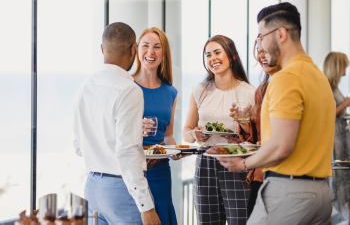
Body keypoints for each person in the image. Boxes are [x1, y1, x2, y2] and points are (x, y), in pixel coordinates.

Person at [217, 2, 335, 225]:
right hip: (321, 194)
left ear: (280, 34)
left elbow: (282, 146)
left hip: (289, 193)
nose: (260, 45)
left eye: (261, 37)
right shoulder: (318, 77)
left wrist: (243, 164)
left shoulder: (286, 78)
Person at [72, 22, 160, 225]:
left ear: (102, 49)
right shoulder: (129, 90)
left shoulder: (84, 88)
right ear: (134, 49)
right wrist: (146, 206)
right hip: (122, 189)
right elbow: (127, 151)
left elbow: (78, 146)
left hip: (92, 188)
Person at [182, 35, 256, 225]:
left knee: (240, 221)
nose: (212, 58)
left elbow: (256, 138)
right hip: (206, 161)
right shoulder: (200, 90)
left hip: (236, 161)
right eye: (208, 55)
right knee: (207, 221)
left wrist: (243, 128)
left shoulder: (250, 92)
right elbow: (186, 132)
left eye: (217, 52)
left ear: (231, 56)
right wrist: (195, 134)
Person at [133, 27, 179, 225]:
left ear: (163, 53)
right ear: (137, 50)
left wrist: (175, 150)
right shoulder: (127, 86)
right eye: (145, 46)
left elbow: (168, 135)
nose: (150, 52)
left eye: (156, 47)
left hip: (160, 171)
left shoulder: (171, 92)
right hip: (133, 170)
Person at [230, 43, 281, 218]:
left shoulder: (291, 85)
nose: (261, 56)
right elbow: (254, 138)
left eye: (265, 51)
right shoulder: (261, 91)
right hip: (260, 174)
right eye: (258, 52)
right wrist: (243, 121)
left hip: (283, 175)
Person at [323, 52, 350, 224]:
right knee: (337, 179)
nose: (345, 72)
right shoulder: (326, 88)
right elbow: (328, 115)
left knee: (345, 179)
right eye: (344, 68)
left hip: (342, 140)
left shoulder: (334, 88)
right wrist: (345, 104)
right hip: (335, 143)